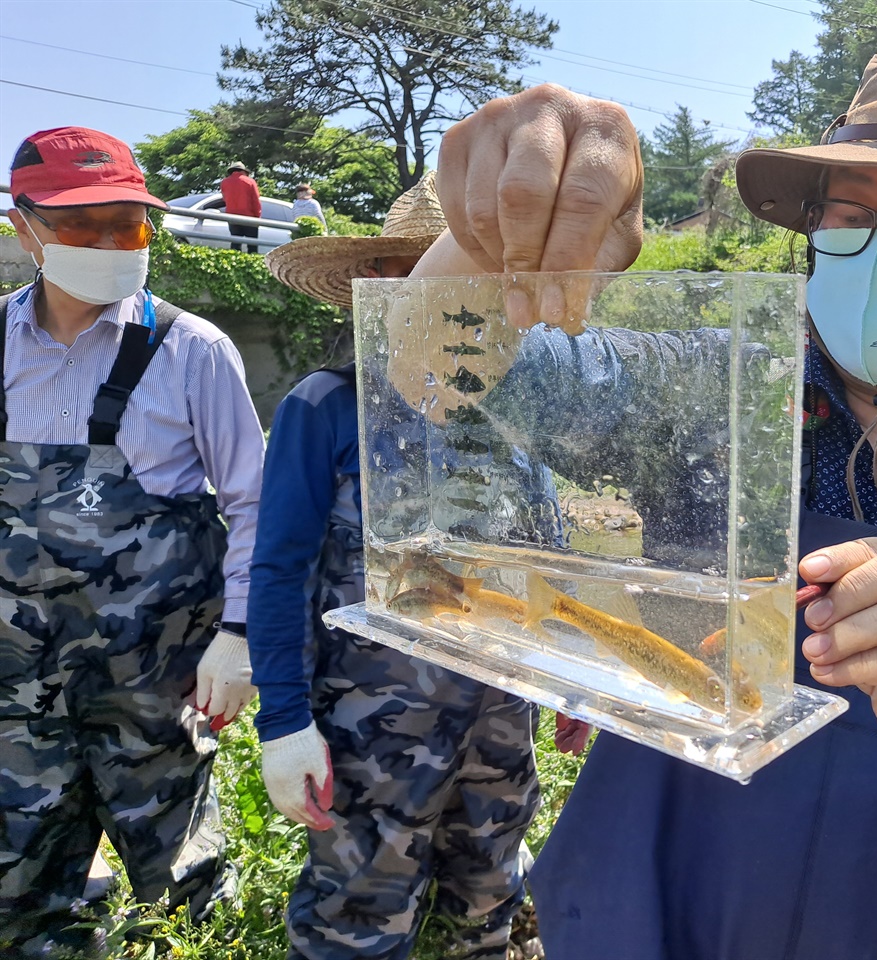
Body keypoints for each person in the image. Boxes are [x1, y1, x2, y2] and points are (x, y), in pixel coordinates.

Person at [398, 24, 877, 959]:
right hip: (649, 928)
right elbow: (439, 373)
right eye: (850, 211)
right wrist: (487, 234)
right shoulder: (715, 401)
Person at [251, 172, 541, 960]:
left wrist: (571, 676)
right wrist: (282, 720)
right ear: (380, 289)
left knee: (488, 902)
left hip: (501, 719)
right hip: (371, 732)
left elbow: (544, 553)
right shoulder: (325, 406)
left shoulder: (513, 408)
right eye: (433, 280)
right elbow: (278, 568)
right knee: (361, 916)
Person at [0, 127, 262, 954]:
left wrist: (238, 635)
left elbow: (256, 504)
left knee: (188, 894)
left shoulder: (193, 352)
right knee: (17, 888)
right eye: (86, 225)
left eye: (131, 224)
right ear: (24, 227)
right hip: (16, 692)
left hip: (158, 684)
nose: (114, 244)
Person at [221, 160, 262, 253]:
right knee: (252, 246)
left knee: (235, 244)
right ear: (243, 171)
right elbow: (255, 201)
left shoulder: (224, 182)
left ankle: (234, 264)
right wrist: (257, 216)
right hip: (249, 217)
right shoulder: (250, 181)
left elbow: (225, 199)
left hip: (232, 217)